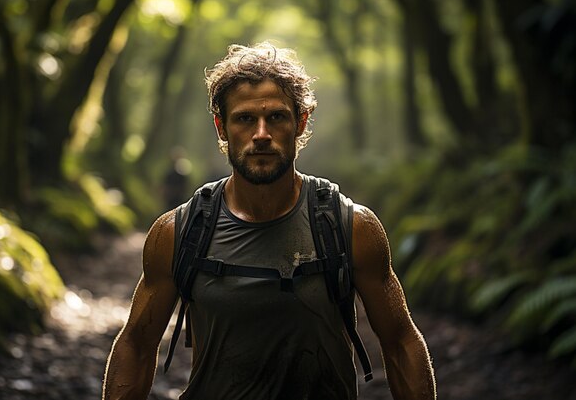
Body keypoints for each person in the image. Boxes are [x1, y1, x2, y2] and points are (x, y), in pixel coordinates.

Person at [102, 42, 436, 400]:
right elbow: (136, 344)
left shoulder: (352, 227)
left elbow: (401, 342)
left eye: (276, 117)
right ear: (221, 127)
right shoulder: (177, 232)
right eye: (245, 119)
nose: (261, 134)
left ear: (300, 122)